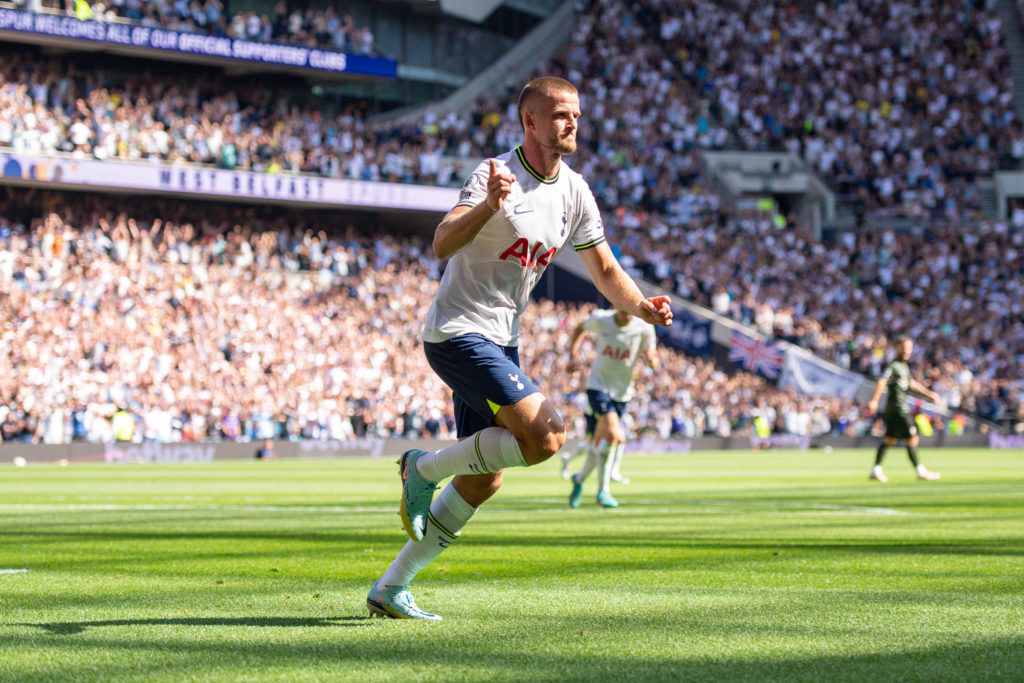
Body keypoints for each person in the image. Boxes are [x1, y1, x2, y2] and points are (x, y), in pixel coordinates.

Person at [366, 76, 674, 621]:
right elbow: (441, 243)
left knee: (485, 477)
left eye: (576, 113)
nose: (572, 123)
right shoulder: (494, 173)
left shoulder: (575, 190)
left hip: (502, 340)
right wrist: (488, 205)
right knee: (549, 434)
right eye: (559, 114)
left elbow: (603, 268)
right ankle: (422, 468)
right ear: (529, 122)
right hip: (458, 331)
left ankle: (391, 586)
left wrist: (642, 306)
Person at [565, 308, 658, 508]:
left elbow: (654, 362)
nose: (627, 312)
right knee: (616, 434)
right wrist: (572, 355)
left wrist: (652, 360)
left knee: (599, 445)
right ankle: (603, 492)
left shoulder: (643, 328)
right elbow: (578, 328)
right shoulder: (602, 319)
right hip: (597, 387)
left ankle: (579, 480)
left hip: (622, 393)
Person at [865, 337, 942, 483]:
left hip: (895, 409)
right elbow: (882, 381)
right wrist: (874, 401)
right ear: (898, 347)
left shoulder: (903, 367)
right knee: (912, 437)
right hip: (898, 408)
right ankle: (920, 471)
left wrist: (928, 394)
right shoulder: (893, 366)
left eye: (910, 348)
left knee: (889, 439)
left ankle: (876, 470)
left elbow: (911, 384)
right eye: (905, 347)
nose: (907, 351)